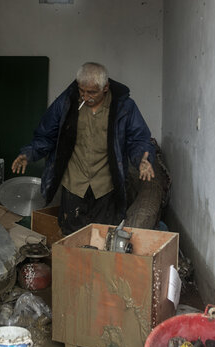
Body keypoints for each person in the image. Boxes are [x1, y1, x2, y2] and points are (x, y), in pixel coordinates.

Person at [11, 62, 155, 235]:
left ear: (105, 88)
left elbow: (138, 138)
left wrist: (142, 159)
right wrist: (30, 153)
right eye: (82, 91)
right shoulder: (67, 103)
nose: (86, 97)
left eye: (92, 92)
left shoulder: (124, 107)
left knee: (104, 236)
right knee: (71, 235)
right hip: (74, 183)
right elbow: (46, 135)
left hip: (106, 185)